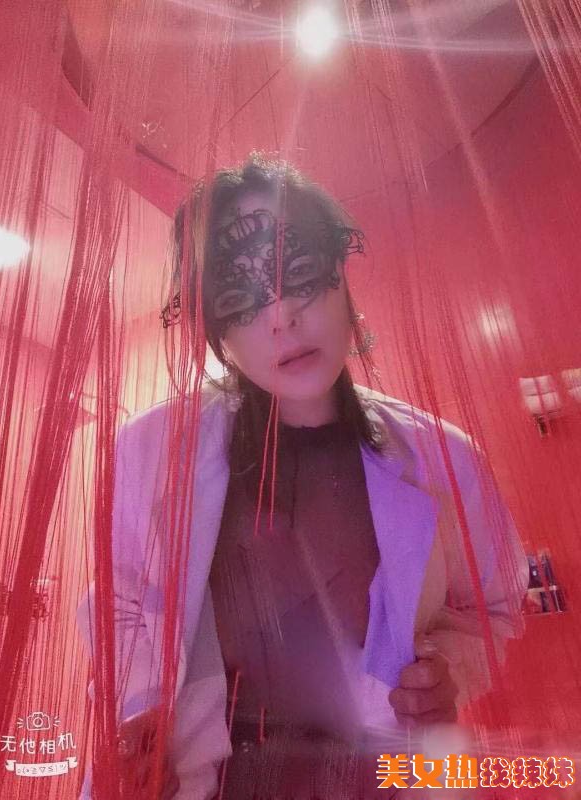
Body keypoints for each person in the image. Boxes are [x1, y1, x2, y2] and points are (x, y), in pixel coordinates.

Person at [76, 153, 529, 800]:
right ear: (216, 332)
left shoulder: (446, 459)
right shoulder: (151, 453)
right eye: (238, 297)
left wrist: (448, 670)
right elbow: (115, 602)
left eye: (301, 273)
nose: (281, 315)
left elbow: (495, 608)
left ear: (342, 277)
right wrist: (142, 709)